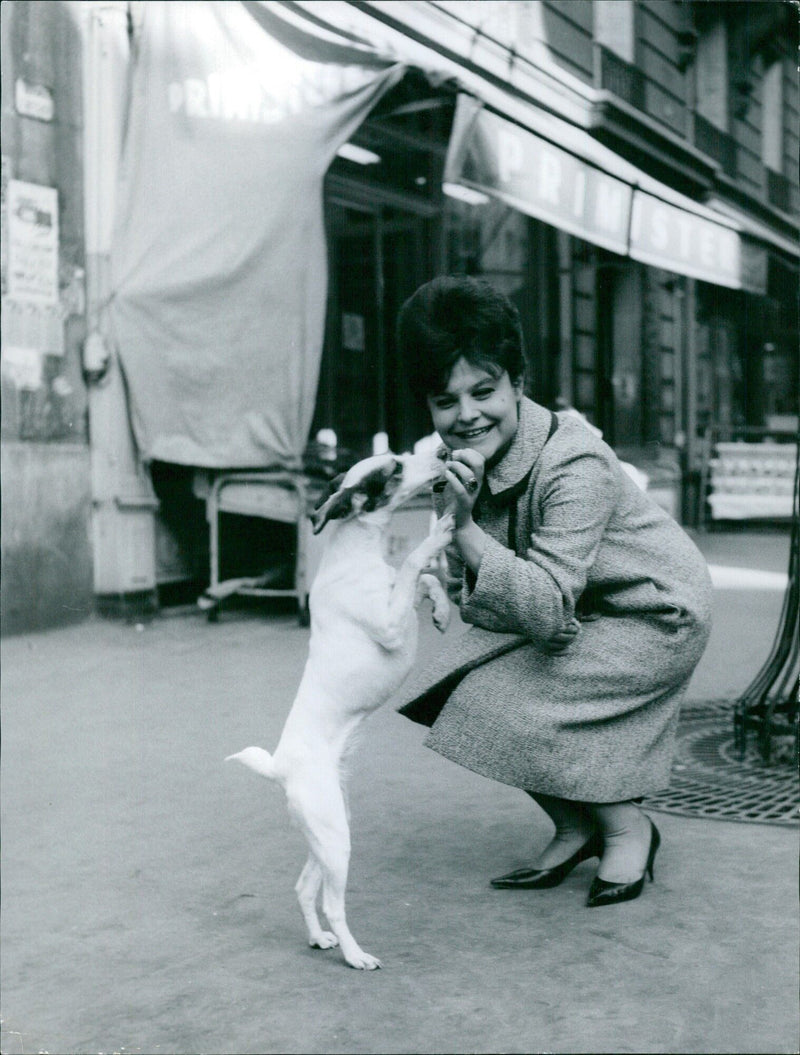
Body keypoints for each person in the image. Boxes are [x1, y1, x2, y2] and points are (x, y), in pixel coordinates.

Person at [394, 275, 713, 907]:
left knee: (494, 701)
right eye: (445, 401)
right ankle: (574, 826)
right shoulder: (466, 463)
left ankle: (628, 829)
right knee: (459, 686)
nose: (466, 416)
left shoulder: (574, 461)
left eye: (484, 391)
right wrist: (461, 556)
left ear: (518, 381)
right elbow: (474, 599)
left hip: (657, 616)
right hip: (582, 609)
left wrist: (463, 530)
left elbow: (538, 602)